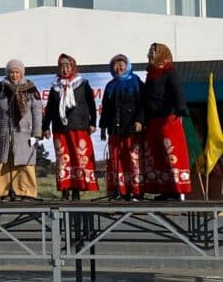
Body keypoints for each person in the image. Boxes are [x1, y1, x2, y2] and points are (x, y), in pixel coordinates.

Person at [42, 54, 98, 201]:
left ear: (73, 67)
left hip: (79, 127)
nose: (65, 69)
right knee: (63, 159)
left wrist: (93, 123)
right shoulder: (55, 87)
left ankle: (77, 190)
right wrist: (45, 126)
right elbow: (50, 109)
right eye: (61, 66)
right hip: (60, 128)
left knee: (78, 158)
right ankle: (65, 190)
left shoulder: (82, 84)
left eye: (67, 66)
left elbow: (91, 105)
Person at [0, 59, 43, 200]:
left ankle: (26, 192)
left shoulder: (30, 88)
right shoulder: (0, 88)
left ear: (21, 73)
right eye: (11, 72)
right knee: (4, 162)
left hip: (24, 133)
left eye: (17, 72)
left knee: (25, 163)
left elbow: (37, 112)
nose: (14, 75)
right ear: (8, 73)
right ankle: (2, 192)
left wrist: (37, 133)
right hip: (5, 131)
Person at [143, 43, 191, 200]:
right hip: (153, 120)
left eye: (154, 50)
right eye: (150, 51)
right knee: (158, 155)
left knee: (170, 154)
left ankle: (176, 191)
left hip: (168, 119)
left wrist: (180, 107)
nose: (151, 53)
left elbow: (177, 90)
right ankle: (165, 190)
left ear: (162, 53)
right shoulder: (150, 74)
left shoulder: (169, 71)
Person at [99, 54, 145, 201]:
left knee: (133, 159)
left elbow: (143, 105)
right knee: (117, 160)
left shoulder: (136, 82)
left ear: (128, 66)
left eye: (121, 65)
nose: (118, 68)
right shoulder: (110, 85)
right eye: (115, 65)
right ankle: (121, 191)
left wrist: (140, 121)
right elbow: (106, 108)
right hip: (115, 129)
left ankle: (136, 192)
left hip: (132, 128)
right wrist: (103, 128)